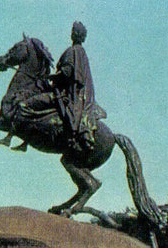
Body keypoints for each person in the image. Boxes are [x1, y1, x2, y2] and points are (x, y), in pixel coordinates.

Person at [23, 21, 106, 153]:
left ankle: (23, 136)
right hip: (73, 92)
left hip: (67, 94)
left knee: (26, 105)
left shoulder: (74, 51)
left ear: (76, 35)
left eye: (74, 32)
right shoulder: (80, 51)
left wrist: (51, 77)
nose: (72, 34)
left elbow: (67, 72)